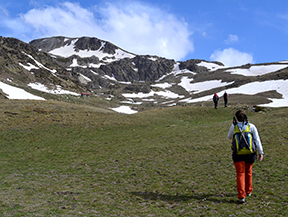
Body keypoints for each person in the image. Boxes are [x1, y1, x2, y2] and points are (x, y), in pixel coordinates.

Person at [227, 110, 264, 203]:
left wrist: (234, 126)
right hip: (250, 153)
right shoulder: (251, 126)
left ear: (236, 118)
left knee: (240, 174)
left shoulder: (234, 126)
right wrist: (261, 152)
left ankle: (241, 196)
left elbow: (229, 137)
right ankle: (248, 190)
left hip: (238, 154)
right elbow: (257, 139)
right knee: (248, 172)